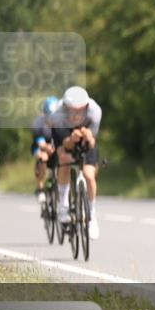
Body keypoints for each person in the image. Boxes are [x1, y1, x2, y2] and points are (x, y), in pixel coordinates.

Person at [49, 86, 102, 239]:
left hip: (86, 136)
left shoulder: (95, 112)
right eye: (72, 110)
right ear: (65, 108)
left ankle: (92, 216)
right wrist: (72, 139)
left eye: (80, 110)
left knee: (89, 174)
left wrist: (87, 136)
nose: (76, 114)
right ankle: (63, 205)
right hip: (64, 135)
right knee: (64, 159)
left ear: (86, 107)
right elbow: (64, 144)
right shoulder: (57, 115)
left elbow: (91, 143)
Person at [32, 96, 60, 203]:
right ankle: (40, 189)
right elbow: (40, 142)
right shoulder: (39, 123)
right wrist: (47, 147)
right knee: (43, 157)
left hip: (56, 147)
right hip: (41, 147)